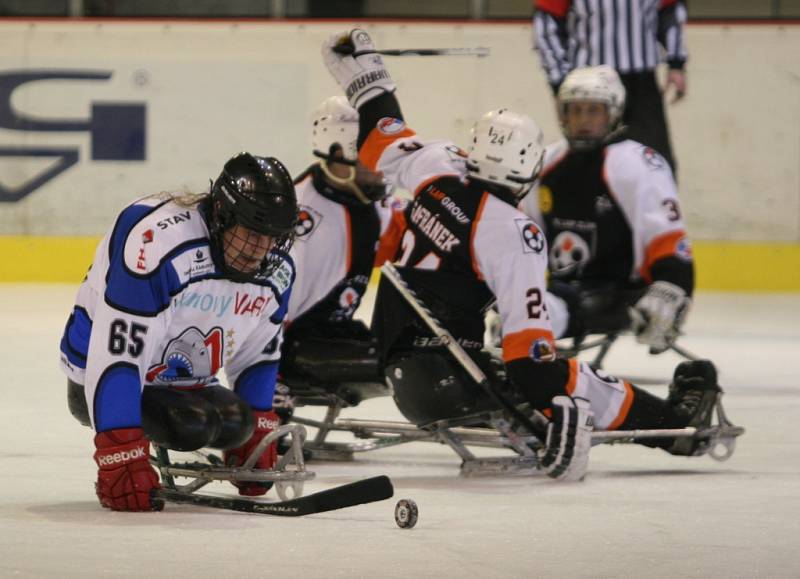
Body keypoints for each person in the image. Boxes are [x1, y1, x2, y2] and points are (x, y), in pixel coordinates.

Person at [321, 28, 720, 481]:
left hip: (402, 378)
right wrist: (558, 403)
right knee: (567, 373)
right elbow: (530, 368)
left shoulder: (436, 165)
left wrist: (368, 76)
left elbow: (379, 138)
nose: (584, 120)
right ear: (526, 171)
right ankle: (677, 428)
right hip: (458, 386)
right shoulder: (513, 231)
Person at [59, 152, 298, 511]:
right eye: (251, 233)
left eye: (272, 237)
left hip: (184, 378)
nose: (260, 250)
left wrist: (258, 432)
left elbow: (259, 351)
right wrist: (119, 452)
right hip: (94, 375)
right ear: (222, 216)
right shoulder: (156, 242)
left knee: (238, 423)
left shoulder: (276, 268)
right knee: (191, 426)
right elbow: (118, 353)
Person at [519, 65, 693, 355]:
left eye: (593, 111)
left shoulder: (636, 163)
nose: (583, 120)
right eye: (575, 110)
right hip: (559, 291)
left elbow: (666, 234)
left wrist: (671, 287)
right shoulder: (547, 161)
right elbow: (523, 233)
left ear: (613, 113)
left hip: (620, 295)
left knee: (525, 316)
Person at [276, 96, 406, 413]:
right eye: (373, 160)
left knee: (410, 348)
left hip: (333, 331)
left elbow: (404, 244)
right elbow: (265, 314)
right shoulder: (304, 220)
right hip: (291, 351)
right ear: (338, 153)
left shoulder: (368, 198)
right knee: (401, 362)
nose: (383, 172)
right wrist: (268, 389)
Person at [533, 0, 688, 172]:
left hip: (641, 80)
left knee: (654, 159)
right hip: (588, 83)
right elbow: (547, 24)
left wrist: (676, 62)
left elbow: (670, 10)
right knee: (589, 161)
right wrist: (560, 84)